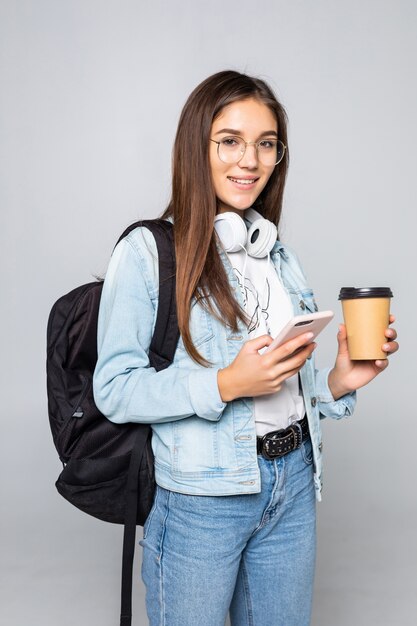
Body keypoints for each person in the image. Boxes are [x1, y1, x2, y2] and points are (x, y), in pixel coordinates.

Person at [93, 70, 399, 626]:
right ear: (197, 147)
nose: (250, 161)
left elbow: (280, 382)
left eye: (266, 144)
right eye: (230, 141)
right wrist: (225, 383)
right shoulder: (147, 253)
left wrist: (338, 381)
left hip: (294, 483)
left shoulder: (275, 253)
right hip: (202, 501)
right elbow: (114, 390)